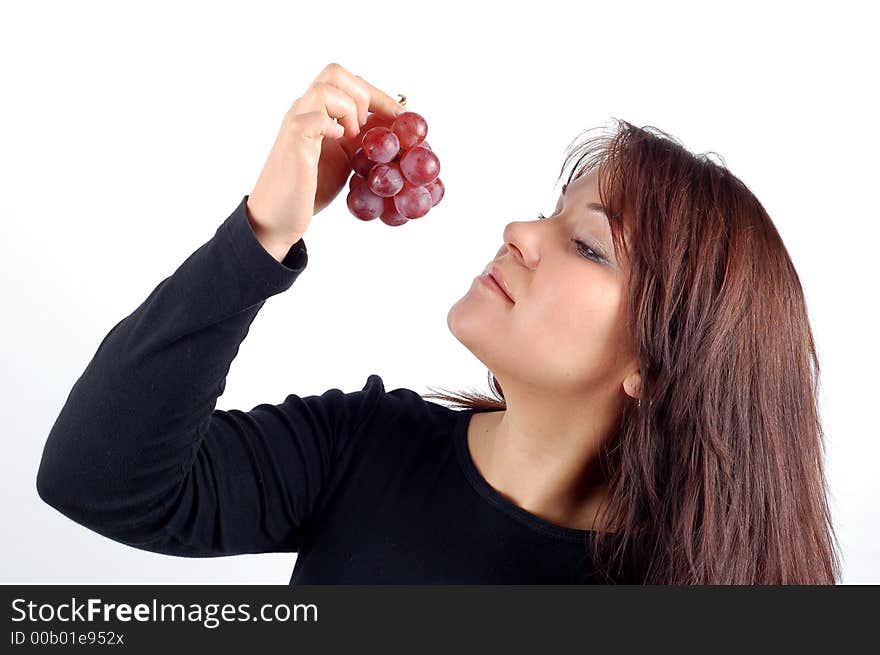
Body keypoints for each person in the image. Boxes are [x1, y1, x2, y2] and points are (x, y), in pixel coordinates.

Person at [36, 62, 841, 584]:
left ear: (657, 366)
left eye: (587, 246)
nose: (519, 234)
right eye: (544, 214)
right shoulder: (364, 446)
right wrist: (263, 234)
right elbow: (97, 482)